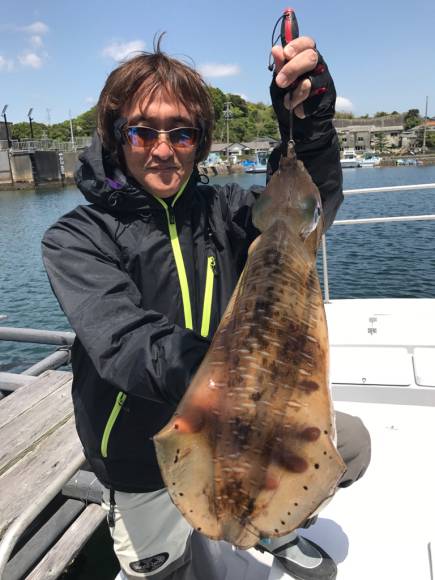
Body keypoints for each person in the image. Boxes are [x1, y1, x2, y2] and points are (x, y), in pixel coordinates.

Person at [42, 32, 370, 580]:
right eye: (144, 131)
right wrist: (232, 376)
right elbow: (122, 340)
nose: (164, 149)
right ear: (116, 136)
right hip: (139, 448)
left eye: (182, 132)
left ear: (200, 140)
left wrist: (308, 128)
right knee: (160, 567)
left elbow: (301, 215)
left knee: (350, 447)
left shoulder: (229, 211)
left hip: (250, 419)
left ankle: (278, 529)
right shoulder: (76, 237)